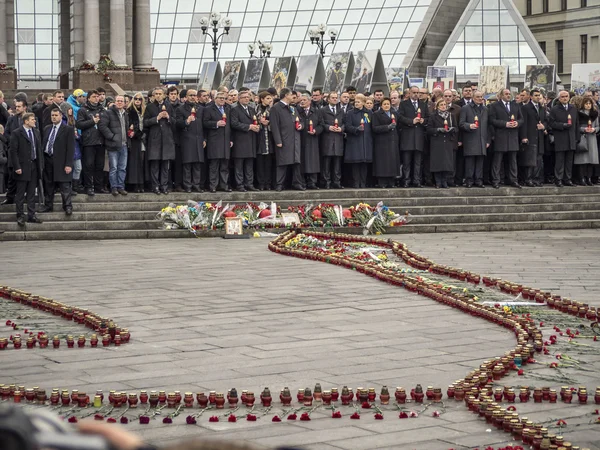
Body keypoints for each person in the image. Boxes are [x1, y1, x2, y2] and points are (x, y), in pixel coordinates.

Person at [10, 112, 43, 226]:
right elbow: (13, 151)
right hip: (22, 167)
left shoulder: (36, 132)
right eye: (32, 119)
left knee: (31, 193)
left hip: (34, 165)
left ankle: (31, 215)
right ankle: (20, 215)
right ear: (26, 121)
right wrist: (17, 167)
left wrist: (40, 166)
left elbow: (38, 150)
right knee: (20, 193)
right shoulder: (17, 133)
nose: (34, 121)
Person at [39, 107, 74, 215]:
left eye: (56, 115)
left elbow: (70, 148)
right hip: (47, 159)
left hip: (61, 161)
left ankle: (67, 206)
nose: (53, 117)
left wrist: (68, 164)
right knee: (48, 185)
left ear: (60, 116)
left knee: (64, 185)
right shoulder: (47, 128)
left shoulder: (67, 129)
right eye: (52, 115)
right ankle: (48, 205)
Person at [269, 87, 304, 192]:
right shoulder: (276, 108)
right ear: (285, 95)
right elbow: (274, 126)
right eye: (291, 95)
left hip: (295, 139)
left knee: (296, 163)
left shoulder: (293, 108)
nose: (293, 97)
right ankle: (279, 184)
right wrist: (278, 141)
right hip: (284, 140)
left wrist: (300, 126)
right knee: (282, 163)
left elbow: (300, 121)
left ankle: (297, 183)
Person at [489, 89, 524, 189]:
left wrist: (517, 123)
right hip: (500, 136)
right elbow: (492, 120)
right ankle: (496, 180)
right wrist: (505, 124)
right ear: (501, 96)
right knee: (498, 160)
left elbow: (521, 119)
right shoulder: (494, 106)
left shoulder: (515, 105)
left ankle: (513, 180)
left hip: (513, 136)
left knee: (513, 160)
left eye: (509, 94)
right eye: (506, 94)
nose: (508, 96)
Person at [144, 88, 175, 195]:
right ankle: (155, 186)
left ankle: (164, 186)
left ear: (164, 95)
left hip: (167, 140)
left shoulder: (169, 106)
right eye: (156, 94)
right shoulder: (149, 107)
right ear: (153, 96)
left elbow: (175, 122)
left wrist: (169, 117)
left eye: (160, 94)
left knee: (165, 165)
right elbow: (145, 122)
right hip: (155, 140)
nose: (158, 96)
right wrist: (156, 118)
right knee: (155, 165)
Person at [76, 90, 106, 196]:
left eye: (97, 96)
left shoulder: (102, 109)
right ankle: (88, 187)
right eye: (94, 96)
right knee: (88, 165)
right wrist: (92, 122)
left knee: (99, 165)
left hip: (101, 141)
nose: (96, 98)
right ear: (88, 98)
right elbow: (79, 124)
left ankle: (98, 186)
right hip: (89, 141)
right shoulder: (83, 110)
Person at [398, 86, 429, 188]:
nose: (416, 94)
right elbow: (400, 117)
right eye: (414, 92)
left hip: (419, 136)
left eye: (418, 92)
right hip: (407, 136)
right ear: (409, 93)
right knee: (406, 161)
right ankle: (406, 180)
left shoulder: (423, 104)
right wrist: (411, 121)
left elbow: (428, 118)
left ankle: (417, 180)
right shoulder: (403, 104)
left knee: (418, 161)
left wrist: (424, 120)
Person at [176, 89, 206, 193]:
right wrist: (186, 121)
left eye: (194, 95)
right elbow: (178, 124)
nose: (193, 97)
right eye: (191, 95)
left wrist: (204, 138)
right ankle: (187, 185)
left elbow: (204, 125)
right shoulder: (180, 109)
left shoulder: (201, 109)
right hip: (187, 139)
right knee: (187, 164)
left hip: (198, 139)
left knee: (197, 164)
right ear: (186, 97)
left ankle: (196, 185)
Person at [99, 95, 129, 196]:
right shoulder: (108, 113)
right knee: (114, 168)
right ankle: (114, 187)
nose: (119, 102)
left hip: (124, 144)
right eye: (118, 101)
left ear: (124, 103)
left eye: (121, 101)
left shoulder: (125, 114)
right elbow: (102, 126)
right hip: (113, 145)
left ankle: (121, 186)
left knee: (122, 168)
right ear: (115, 102)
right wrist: (112, 137)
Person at [202, 92, 232, 193]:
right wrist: (216, 123)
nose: (222, 100)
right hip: (214, 140)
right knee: (214, 165)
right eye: (220, 98)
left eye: (224, 98)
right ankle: (213, 185)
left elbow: (230, 126)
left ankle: (224, 185)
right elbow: (205, 122)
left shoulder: (228, 109)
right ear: (215, 99)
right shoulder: (208, 109)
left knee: (224, 165)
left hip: (225, 140)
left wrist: (230, 139)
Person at [549, 90, 580, 187]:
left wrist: (577, 137)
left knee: (569, 160)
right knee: (560, 160)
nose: (565, 98)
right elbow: (551, 123)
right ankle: (558, 179)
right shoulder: (555, 109)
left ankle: (568, 179)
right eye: (562, 96)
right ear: (559, 98)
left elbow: (577, 124)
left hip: (571, 138)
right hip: (560, 138)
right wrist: (562, 125)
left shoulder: (573, 109)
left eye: (566, 96)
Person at [460, 90, 490, 188]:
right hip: (470, 139)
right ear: (473, 97)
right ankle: (469, 180)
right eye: (478, 97)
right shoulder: (465, 108)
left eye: (481, 97)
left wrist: (488, 140)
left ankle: (478, 180)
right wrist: (469, 126)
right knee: (470, 162)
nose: (480, 99)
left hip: (482, 139)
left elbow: (488, 126)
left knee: (480, 161)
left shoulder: (485, 109)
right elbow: (461, 123)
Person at [230, 90, 259, 192]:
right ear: (239, 99)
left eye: (248, 97)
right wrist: (249, 126)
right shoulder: (235, 109)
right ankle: (240, 184)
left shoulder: (251, 109)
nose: (247, 99)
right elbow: (234, 123)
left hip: (250, 140)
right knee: (239, 165)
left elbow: (255, 121)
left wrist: (256, 127)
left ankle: (249, 183)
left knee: (249, 164)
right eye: (244, 97)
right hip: (240, 141)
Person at [519, 88, 548, 187]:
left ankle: (536, 179)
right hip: (530, 136)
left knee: (539, 159)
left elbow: (545, 120)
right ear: (531, 97)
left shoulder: (542, 107)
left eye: (539, 95)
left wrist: (543, 126)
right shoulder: (526, 108)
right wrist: (524, 136)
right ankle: (528, 179)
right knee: (530, 159)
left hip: (539, 137)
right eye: (535, 95)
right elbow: (524, 123)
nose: (538, 97)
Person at [1, 99, 28, 205]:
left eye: (19, 106)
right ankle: (10, 197)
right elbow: (6, 133)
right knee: (12, 176)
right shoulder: (12, 119)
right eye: (16, 106)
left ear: (25, 107)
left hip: (26, 152)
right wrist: (13, 141)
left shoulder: (31, 118)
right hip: (14, 151)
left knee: (26, 176)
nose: (17, 108)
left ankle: (24, 196)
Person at [344, 93, 372, 189]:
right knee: (356, 163)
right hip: (355, 141)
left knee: (364, 163)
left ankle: (363, 183)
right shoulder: (350, 113)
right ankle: (356, 183)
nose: (356, 103)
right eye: (355, 102)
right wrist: (356, 129)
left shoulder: (369, 113)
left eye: (359, 102)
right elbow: (347, 126)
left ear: (363, 103)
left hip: (366, 142)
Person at [427, 99, 458, 188]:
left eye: (445, 104)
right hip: (437, 141)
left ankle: (444, 181)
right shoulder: (433, 116)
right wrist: (438, 130)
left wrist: (452, 129)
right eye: (441, 105)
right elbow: (429, 129)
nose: (443, 106)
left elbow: (456, 128)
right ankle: (438, 182)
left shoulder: (451, 116)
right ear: (437, 107)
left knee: (446, 163)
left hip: (448, 141)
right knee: (437, 163)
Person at [371, 97, 400, 188]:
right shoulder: (376, 114)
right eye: (384, 104)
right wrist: (387, 127)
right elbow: (375, 128)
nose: (386, 106)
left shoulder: (394, 113)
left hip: (393, 141)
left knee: (392, 162)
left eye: (388, 104)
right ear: (381, 105)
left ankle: (391, 181)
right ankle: (382, 182)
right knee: (382, 162)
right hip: (381, 142)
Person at [318, 91, 345, 189]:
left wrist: (341, 128)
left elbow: (344, 123)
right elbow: (320, 123)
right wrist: (328, 127)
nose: (335, 99)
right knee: (326, 162)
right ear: (328, 99)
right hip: (327, 139)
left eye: (336, 97)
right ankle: (326, 182)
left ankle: (336, 181)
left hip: (338, 139)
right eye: (332, 97)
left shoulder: (341, 110)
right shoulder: (323, 110)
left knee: (337, 162)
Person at [297, 92, 321, 190]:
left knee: (313, 161)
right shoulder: (298, 111)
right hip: (301, 138)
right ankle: (302, 182)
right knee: (302, 161)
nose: (302, 102)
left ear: (309, 101)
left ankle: (312, 182)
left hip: (312, 139)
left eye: (304, 100)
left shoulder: (316, 111)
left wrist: (316, 131)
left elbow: (321, 125)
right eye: (301, 100)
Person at [573, 96, 599, 186]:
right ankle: (582, 178)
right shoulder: (579, 114)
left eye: (589, 104)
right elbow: (577, 126)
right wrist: (584, 129)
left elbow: (598, 126)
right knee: (582, 160)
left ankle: (589, 178)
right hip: (583, 138)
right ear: (583, 104)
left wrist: (594, 129)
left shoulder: (594, 114)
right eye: (586, 103)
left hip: (592, 138)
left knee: (591, 160)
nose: (588, 105)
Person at [59, 102, 82, 195]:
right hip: (67, 148)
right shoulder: (63, 122)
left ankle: (75, 186)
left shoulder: (73, 120)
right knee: (70, 169)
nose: (71, 110)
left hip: (75, 147)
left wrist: (77, 136)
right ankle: (69, 187)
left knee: (78, 168)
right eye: (69, 108)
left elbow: (77, 134)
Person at [126, 93, 146, 193]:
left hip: (143, 140)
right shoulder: (129, 111)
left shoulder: (144, 111)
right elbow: (130, 127)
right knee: (134, 163)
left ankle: (141, 184)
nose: (138, 100)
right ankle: (135, 185)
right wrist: (138, 134)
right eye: (136, 99)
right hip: (134, 140)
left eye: (140, 99)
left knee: (142, 163)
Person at [444, 89, 463, 186]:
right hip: (442, 139)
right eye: (446, 96)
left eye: (449, 96)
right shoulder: (439, 107)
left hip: (453, 138)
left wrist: (460, 139)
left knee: (452, 160)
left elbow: (460, 125)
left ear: (453, 97)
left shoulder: (458, 109)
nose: (447, 98)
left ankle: (451, 180)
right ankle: (443, 180)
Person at [255, 91, 274, 191]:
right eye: (267, 98)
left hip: (269, 137)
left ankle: (268, 183)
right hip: (260, 137)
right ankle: (261, 183)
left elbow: (275, 121)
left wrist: (269, 122)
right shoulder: (255, 109)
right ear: (262, 99)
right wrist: (259, 121)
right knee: (260, 163)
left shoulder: (272, 109)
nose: (270, 100)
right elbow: (253, 120)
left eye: (270, 98)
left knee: (269, 163)